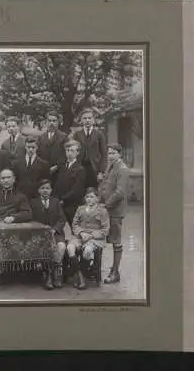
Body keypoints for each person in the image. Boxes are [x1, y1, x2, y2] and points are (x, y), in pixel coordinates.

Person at [98, 143, 130, 284]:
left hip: (115, 211)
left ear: (119, 154)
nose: (110, 156)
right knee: (102, 238)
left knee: (115, 241)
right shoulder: (110, 166)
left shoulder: (123, 169)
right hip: (105, 209)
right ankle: (96, 270)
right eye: (108, 153)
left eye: (113, 153)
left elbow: (120, 193)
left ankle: (115, 272)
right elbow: (105, 185)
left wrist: (106, 204)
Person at [29, 179, 67, 290]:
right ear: (38, 190)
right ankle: (48, 275)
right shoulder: (33, 203)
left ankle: (56, 274)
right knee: (45, 248)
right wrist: (40, 229)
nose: (45, 191)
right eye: (42, 188)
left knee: (61, 247)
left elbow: (62, 219)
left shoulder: (56, 202)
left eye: (47, 188)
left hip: (56, 233)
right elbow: (31, 219)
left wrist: (55, 229)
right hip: (40, 234)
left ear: (51, 190)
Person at [69, 188, 110, 290]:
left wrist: (91, 235)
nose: (89, 199)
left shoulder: (102, 211)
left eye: (92, 197)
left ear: (97, 199)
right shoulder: (80, 209)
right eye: (87, 197)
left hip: (95, 239)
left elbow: (105, 230)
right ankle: (79, 274)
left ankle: (82, 275)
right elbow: (74, 224)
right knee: (70, 247)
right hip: (80, 236)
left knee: (87, 250)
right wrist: (81, 233)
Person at [52, 139, 87, 227]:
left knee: (75, 228)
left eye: (72, 150)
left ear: (77, 152)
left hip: (72, 205)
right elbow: (57, 184)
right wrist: (56, 198)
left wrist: (63, 199)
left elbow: (77, 190)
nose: (69, 153)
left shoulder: (80, 169)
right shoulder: (62, 166)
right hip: (60, 203)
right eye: (67, 150)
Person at [70, 108, 108, 188]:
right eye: (85, 118)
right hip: (80, 167)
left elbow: (104, 154)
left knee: (92, 191)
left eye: (89, 118)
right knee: (79, 189)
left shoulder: (99, 134)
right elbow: (72, 153)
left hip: (94, 168)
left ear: (93, 120)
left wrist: (101, 172)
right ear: (81, 120)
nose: (87, 120)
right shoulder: (77, 134)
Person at [13, 136, 51, 202]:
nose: (30, 149)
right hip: (20, 196)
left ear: (37, 147)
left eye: (33, 147)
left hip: (36, 197)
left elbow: (45, 182)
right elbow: (15, 180)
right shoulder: (17, 163)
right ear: (25, 147)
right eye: (28, 147)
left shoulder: (44, 164)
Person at [36, 110, 67, 182]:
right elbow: (37, 153)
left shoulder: (64, 137)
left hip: (58, 172)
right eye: (49, 121)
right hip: (43, 172)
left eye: (54, 121)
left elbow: (66, 155)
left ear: (58, 122)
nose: (51, 123)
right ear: (46, 122)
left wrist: (56, 167)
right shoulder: (41, 137)